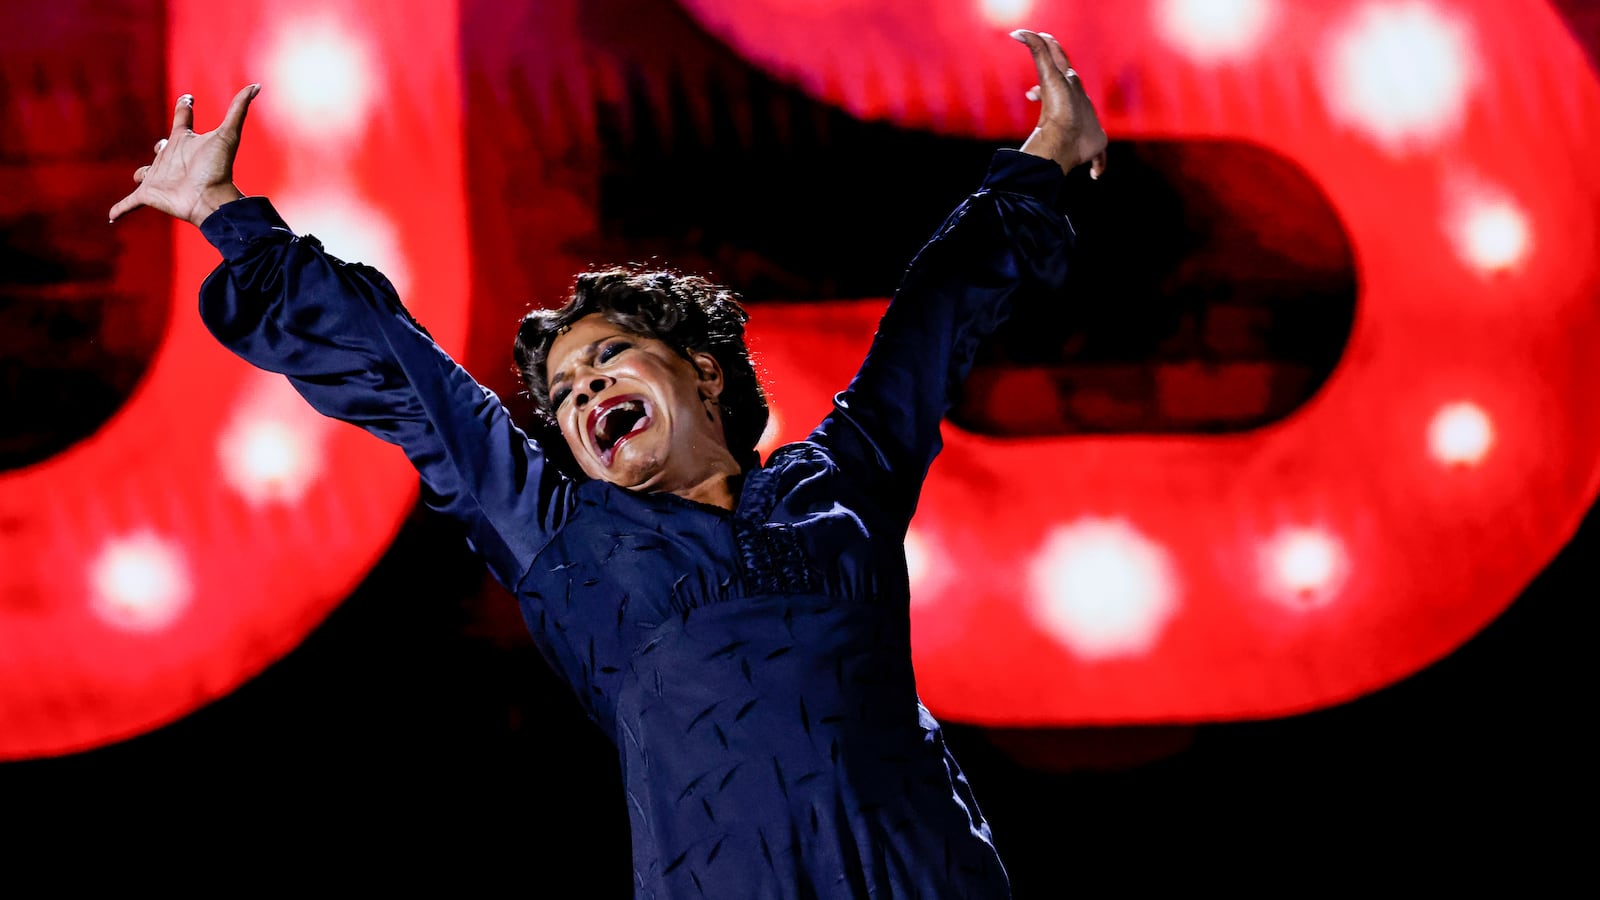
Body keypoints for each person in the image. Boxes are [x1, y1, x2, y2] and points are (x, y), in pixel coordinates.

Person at [111, 27, 1106, 899]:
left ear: (703, 373)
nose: (581, 393)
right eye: (563, 394)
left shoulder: (841, 481)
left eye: (605, 359)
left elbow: (932, 320)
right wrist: (225, 214)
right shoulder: (562, 539)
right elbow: (402, 373)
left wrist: (1045, 160)